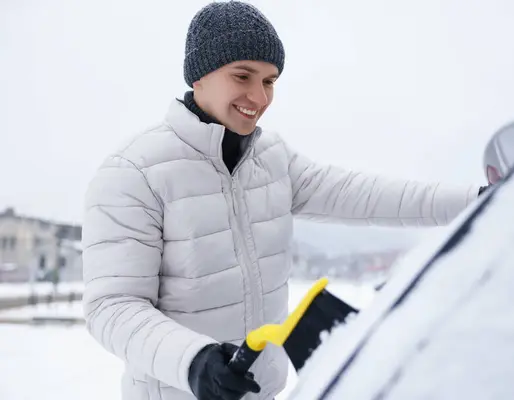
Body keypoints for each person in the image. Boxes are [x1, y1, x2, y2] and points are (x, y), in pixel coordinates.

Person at [81, 2, 487, 400]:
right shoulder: (134, 172)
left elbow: (364, 195)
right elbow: (112, 306)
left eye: (270, 81)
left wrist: (476, 200)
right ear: (199, 76)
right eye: (243, 76)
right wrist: (194, 361)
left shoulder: (272, 159)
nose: (259, 97)